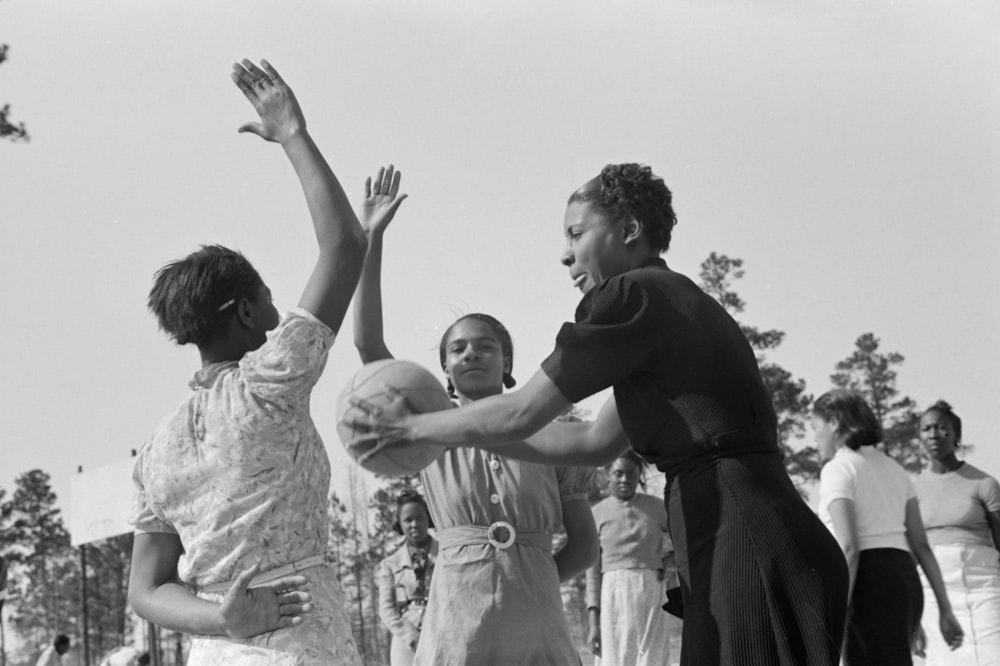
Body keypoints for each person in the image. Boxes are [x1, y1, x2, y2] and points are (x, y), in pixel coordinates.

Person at [351, 162, 848, 666]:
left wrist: (414, 428)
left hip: (741, 530)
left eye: (576, 233)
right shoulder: (671, 303)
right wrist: (450, 431)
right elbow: (593, 443)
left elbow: (523, 412)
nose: (565, 255)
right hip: (747, 526)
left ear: (628, 230)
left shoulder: (632, 294)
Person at [127, 59, 367, 664]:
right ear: (244, 313)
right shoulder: (268, 383)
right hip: (300, 639)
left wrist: (223, 618)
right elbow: (345, 245)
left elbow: (146, 589)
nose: (279, 308)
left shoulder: (157, 446)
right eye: (268, 299)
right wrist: (292, 133)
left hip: (214, 647)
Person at [352, 165, 598, 665]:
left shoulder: (555, 431)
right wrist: (370, 241)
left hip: (537, 613)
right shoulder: (430, 428)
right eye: (458, 348)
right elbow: (367, 344)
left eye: (486, 346)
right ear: (443, 367)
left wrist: (529, 572)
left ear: (507, 362)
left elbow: (585, 546)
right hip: (456, 613)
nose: (471, 354)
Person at [813, 389, 963, 665]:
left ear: (833, 422)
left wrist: (835, 611)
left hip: (866, 583)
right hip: (903, 580)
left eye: (816, 427)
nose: (815, 437)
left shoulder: (838, 469)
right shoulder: (895, 469)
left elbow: (850, 547)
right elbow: (921, 545)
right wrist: (945, 610)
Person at [913, 400, 1000, 665]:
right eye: (927, 428)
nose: (934, 434)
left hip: (982, 586)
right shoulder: (911, 490)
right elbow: (912, 551)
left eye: (942, 428)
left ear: (957, 435)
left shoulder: (984, 483)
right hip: (934, 592)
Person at [586, 450, 674, 666]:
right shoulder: (597, 513)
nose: (625, 479)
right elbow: (592, 571)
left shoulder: (657, 507)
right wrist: (594, 623)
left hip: (652, 590)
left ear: (639, 476)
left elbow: (682, 539)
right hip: (613, 594)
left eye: (631, 474)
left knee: (651, 654)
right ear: (608, 474)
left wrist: (668, 560)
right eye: (618, 473)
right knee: (616, 655)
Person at [376, 490, 437, 666]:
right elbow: (386, 609)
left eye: (420, 517)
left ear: (429, 518)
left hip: (442, 632)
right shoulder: (390, 564)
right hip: (406, 641)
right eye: (408, 520)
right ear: (399, 524)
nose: (415, 524)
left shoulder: (447, 556)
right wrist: (411, 637)